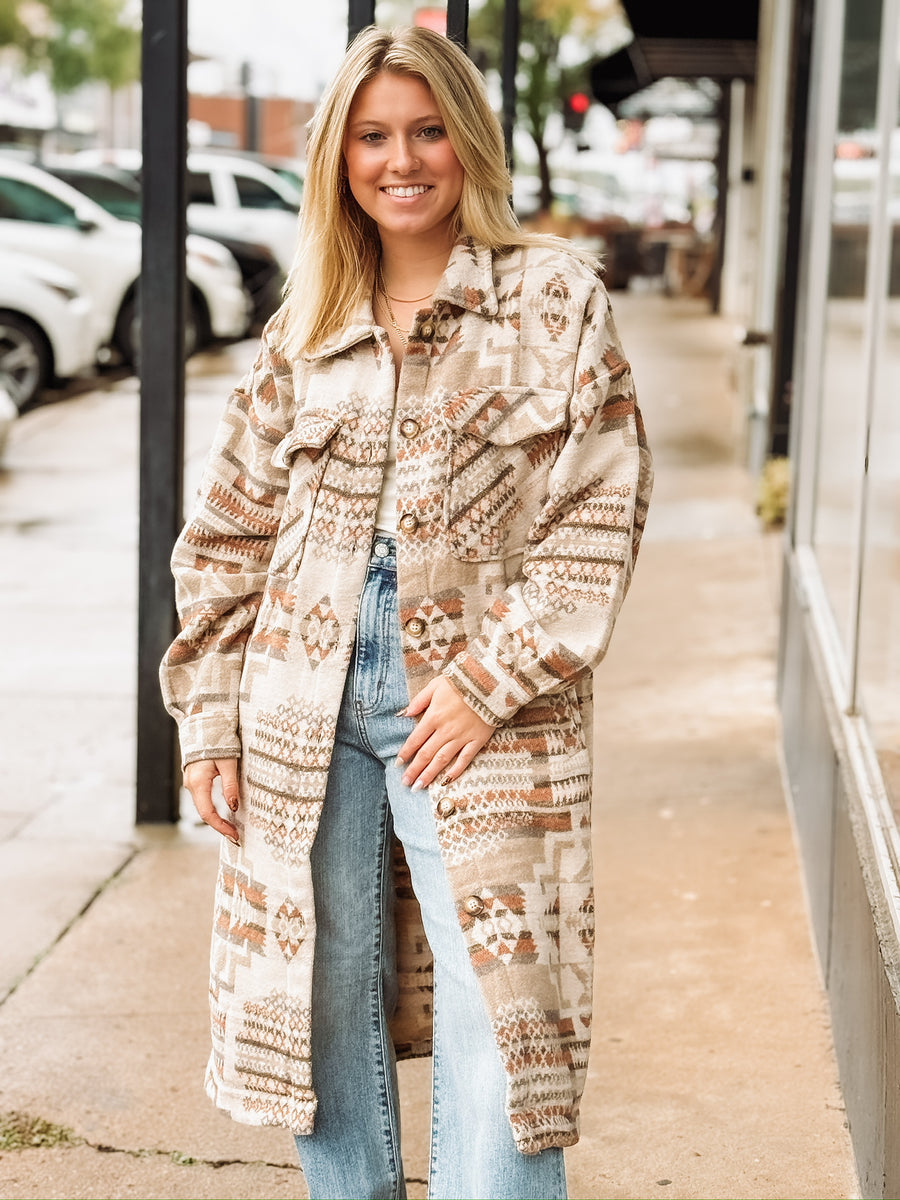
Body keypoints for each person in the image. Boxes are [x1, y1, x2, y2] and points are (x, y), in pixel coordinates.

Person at [160, 23, 652, 1200]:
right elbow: (227, 540)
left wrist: (488, 683)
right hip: (301, 693)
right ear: (340, 156)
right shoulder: (306, 323)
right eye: (374, 136)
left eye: (428, 130)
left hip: (482, 698)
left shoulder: (553, 299)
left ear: (468, 142)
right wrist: (211, 720)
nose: (402, 160)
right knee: (320, 1005)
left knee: (503, 1002)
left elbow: (599, 516)